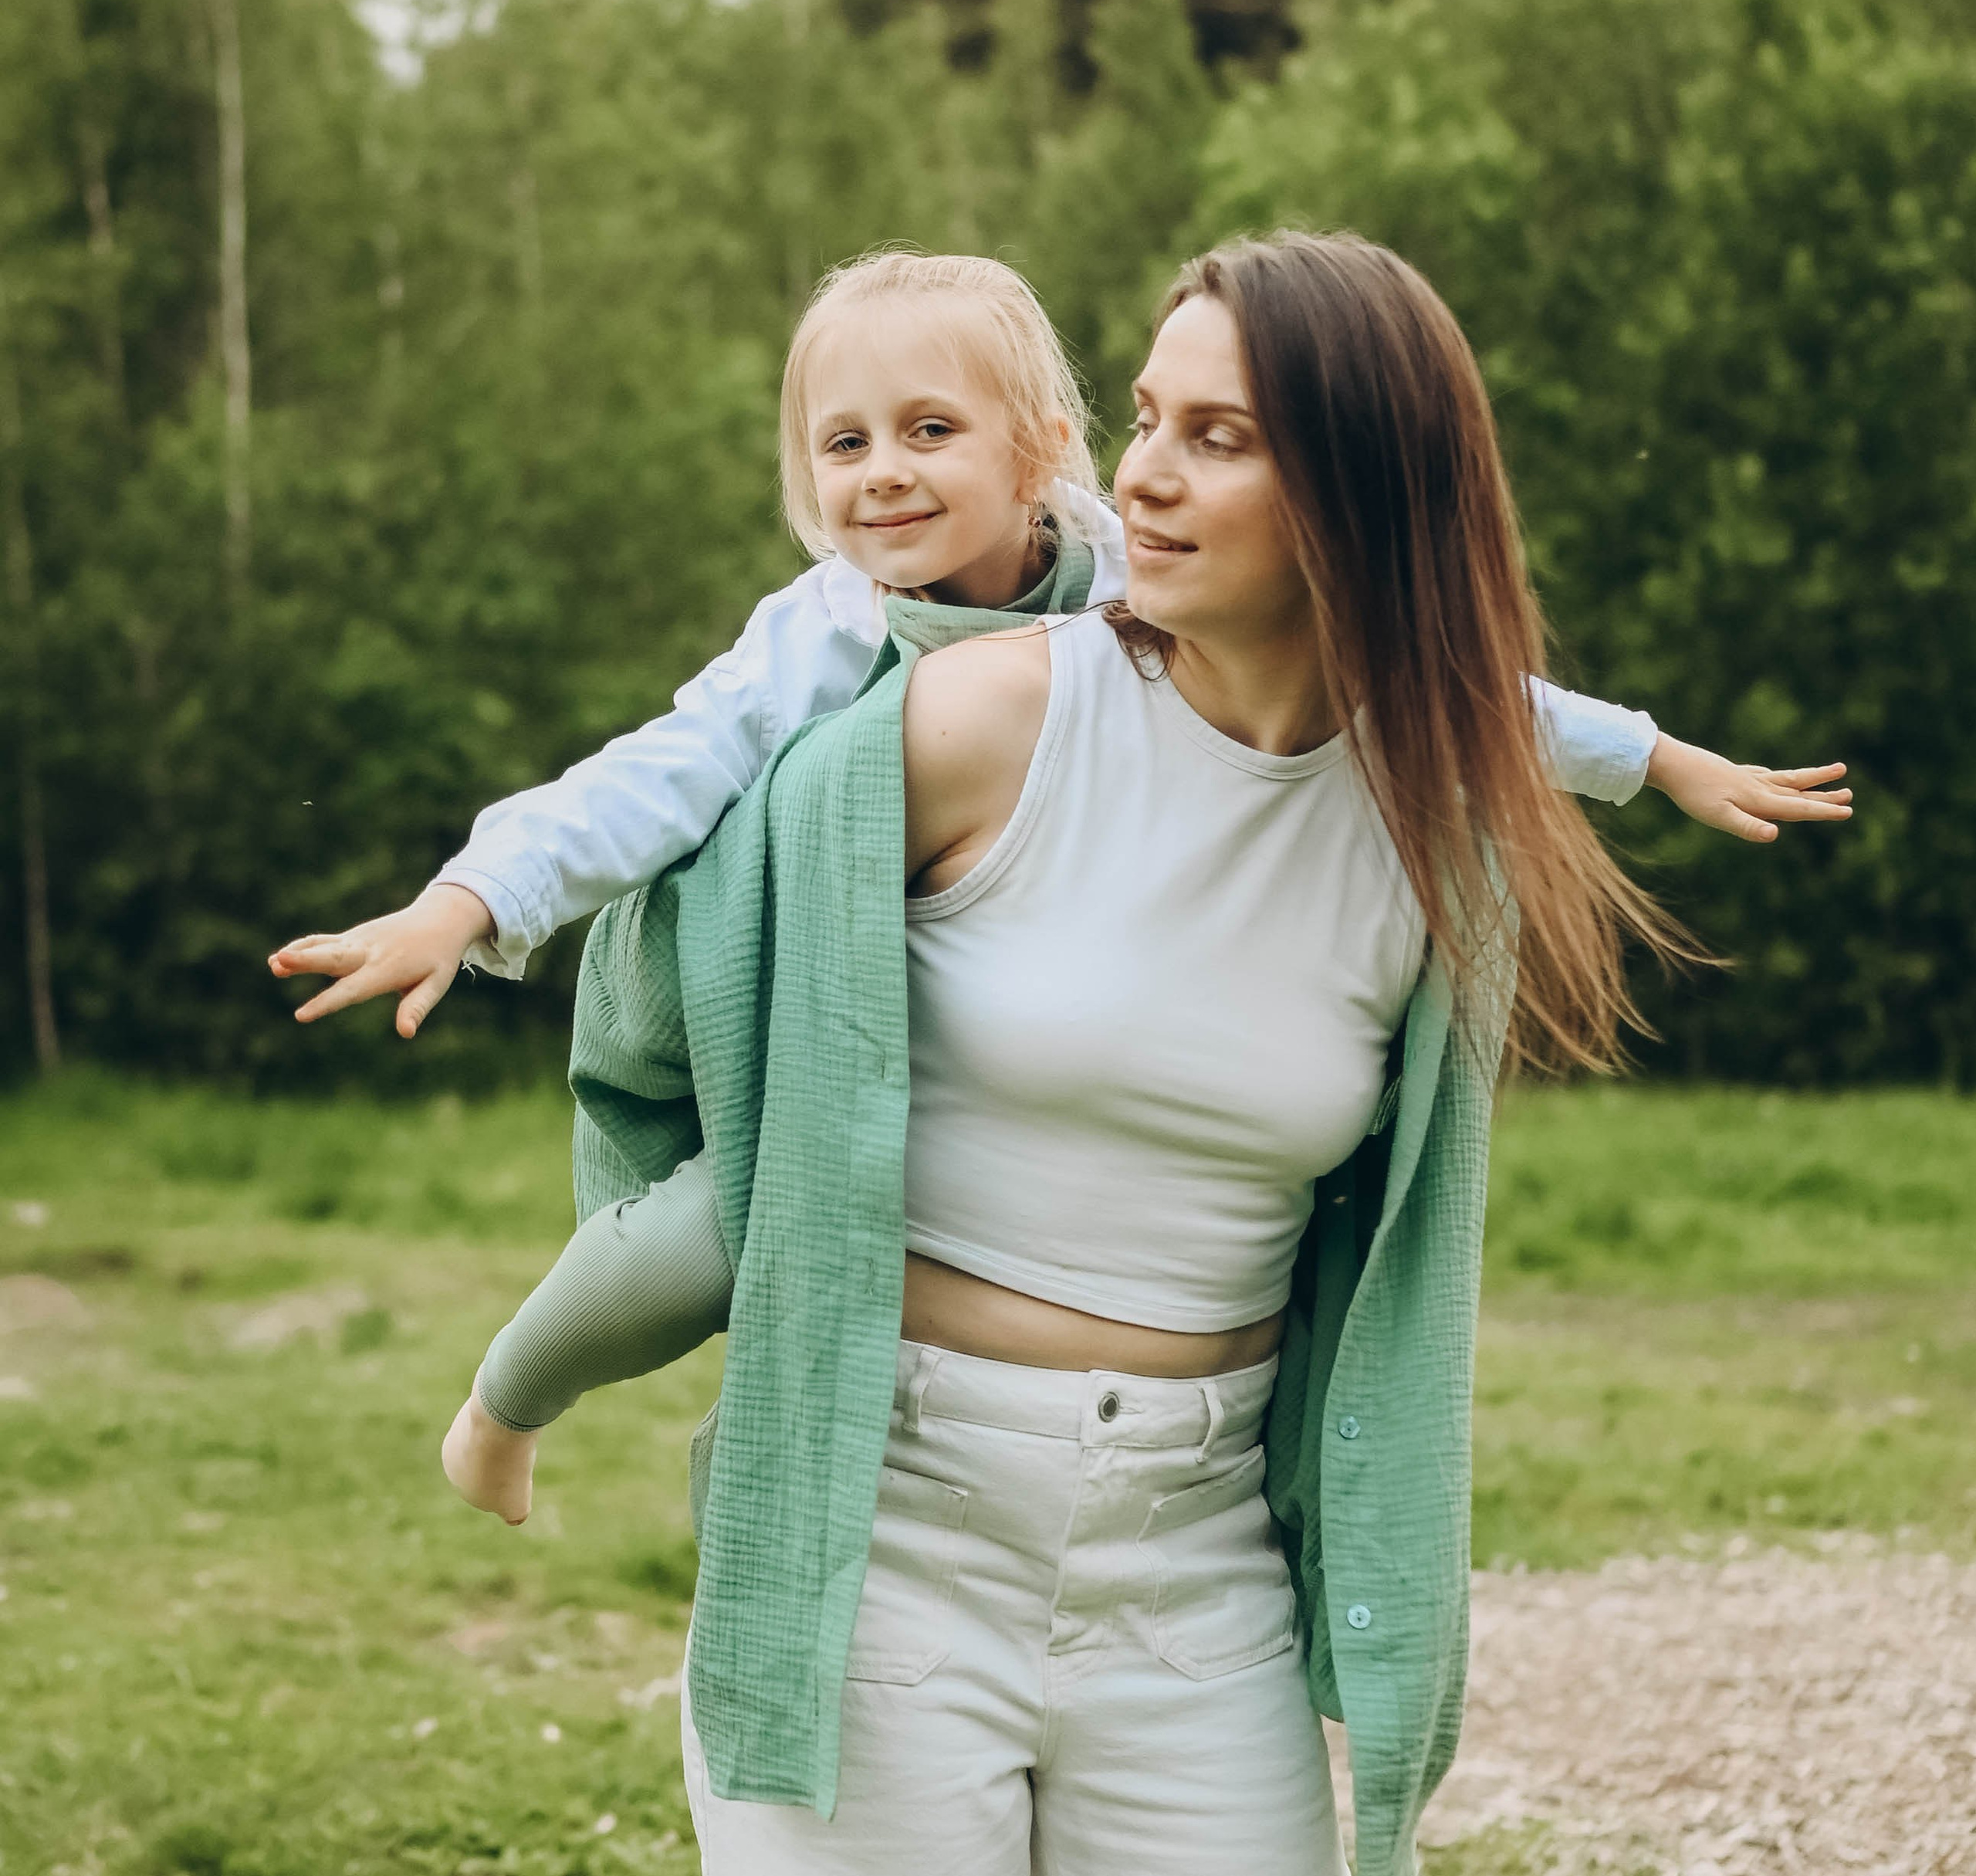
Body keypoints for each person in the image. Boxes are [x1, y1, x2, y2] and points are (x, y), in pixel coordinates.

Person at [563, 231, 1852, 1875]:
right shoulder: (963, 724)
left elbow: (1478, 699)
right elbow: (660, 992)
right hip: (883, 1526)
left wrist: (1660, 756)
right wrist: (486, 918)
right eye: (1146, 419)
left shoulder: (1434, 832)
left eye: (1218, 436)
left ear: (1358, 491)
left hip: (1194, 1558)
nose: (1143, 477)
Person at [270, 251, 1841, 1536]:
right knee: (703, 1241)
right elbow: (652, 773)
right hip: (788, 1000)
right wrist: (468, 902)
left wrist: (1652, 759)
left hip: (971, 1030)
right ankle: (502, 1405)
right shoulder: (827, 630)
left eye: (928, 431)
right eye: (842, 443)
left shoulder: (1121, 573)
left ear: (1039, 450)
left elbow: (1425, 666)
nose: (881, 474)